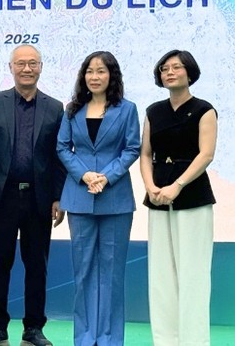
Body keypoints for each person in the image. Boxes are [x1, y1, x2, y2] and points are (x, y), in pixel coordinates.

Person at [0, 45, 66, 346]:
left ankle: (34, 328)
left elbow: (59, 156)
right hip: (1, 197)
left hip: (40, 198)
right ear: (10, 67)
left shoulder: (55, 108)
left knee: (37, 266)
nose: (27, 69)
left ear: (41, 67)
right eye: (21, 63)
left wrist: (59, 197)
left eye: (33, 63)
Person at [56, 51, 140, 346]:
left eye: (101, 71)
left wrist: (106, 176)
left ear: (111, 75)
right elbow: (63, 147)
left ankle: (109, 338)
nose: (94, 76)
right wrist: (85, 175)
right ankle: (84, 337)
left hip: (115, 198)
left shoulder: (127, 109)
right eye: (89, 71)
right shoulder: (72, 110)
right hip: (79, 197)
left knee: (112, 273)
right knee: (83, 271)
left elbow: (132, 148)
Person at [140, 50, 217, 346]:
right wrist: (150, 186)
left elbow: (206, 154)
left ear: (189, 72)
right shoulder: (153, 111)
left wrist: (178, 185)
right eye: (164, 69)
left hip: (192, 196)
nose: (169, 72)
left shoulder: (204, 110)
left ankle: (194, 340)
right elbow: (146, 154)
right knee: (161, 275)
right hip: (158, 196)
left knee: (193, 273)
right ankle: (165, 340)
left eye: (176, 67)